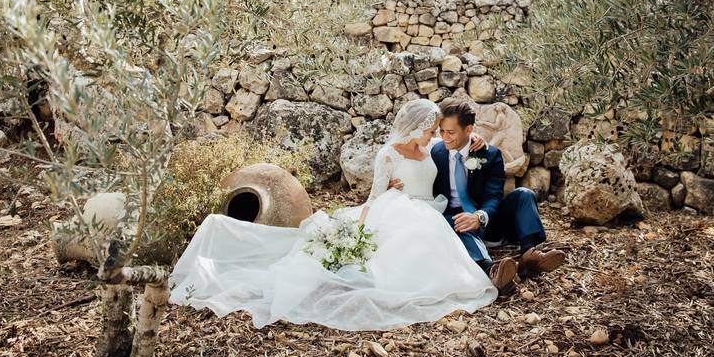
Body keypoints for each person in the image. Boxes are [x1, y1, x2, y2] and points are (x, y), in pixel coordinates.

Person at [168, 99, 502, 331]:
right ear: (418, 128)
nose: (436, 136)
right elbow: (374, 196)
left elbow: (459, 140)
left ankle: (491, 268)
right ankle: (483, 270)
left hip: (432, 208)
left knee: (431, 240)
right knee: (407, 247)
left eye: (439, 132)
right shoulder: (389, 154)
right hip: (400, 208)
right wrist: (367, 219)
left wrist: (476, 138)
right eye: (432, 131)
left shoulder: (432, 148)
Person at [422, 97, 565, 293]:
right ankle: (492, 271)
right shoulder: (435, 152)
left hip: (489, 220)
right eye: (442, 131)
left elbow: (493, 195)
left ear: (469, 129)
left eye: (451, 132)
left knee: (524, 194)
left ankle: (530, 254)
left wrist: (480, 216)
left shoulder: (489, 154)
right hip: (453, 219)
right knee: (458, 221)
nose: (445, 137)